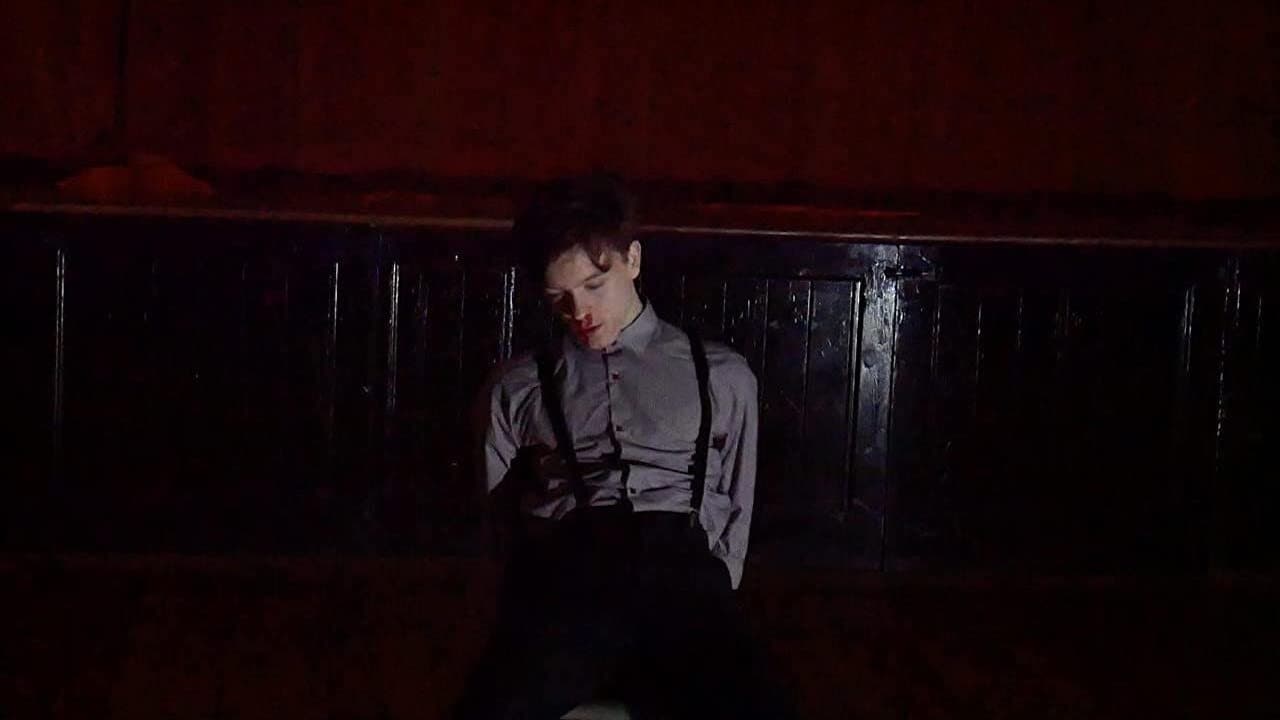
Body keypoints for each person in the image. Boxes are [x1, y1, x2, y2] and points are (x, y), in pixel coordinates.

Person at [452, 174, 795, 720]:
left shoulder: (721, 375)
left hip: (681, 574)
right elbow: (495, 519)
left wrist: (710, 591)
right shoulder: (517, 387)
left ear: (632, 260)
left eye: (595, 285)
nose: (580, 311)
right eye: (559, 298)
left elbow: (737, 502)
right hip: (570, 574)